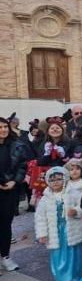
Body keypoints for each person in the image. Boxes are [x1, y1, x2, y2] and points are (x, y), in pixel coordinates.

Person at [34, 166, 82, 281]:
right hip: (55, 231)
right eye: (52, 180)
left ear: (65, 179)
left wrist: (76, 211)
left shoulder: (72, 193)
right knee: (58, 255)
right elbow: (40, 218)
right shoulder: (45, 199)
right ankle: (62, 278)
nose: (55, 182)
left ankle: (75, 276)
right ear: (48, 182)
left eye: (59, 179)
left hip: (71, 228)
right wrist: (42, 234)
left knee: (74, 253)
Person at [0, 116, 29, 271]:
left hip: (9, 190)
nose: (3, 130)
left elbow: (23, 166)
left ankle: (5, 256)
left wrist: (15, 181)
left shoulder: (16, 145)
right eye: (0, 127)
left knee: (5, 224)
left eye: (5, 127)